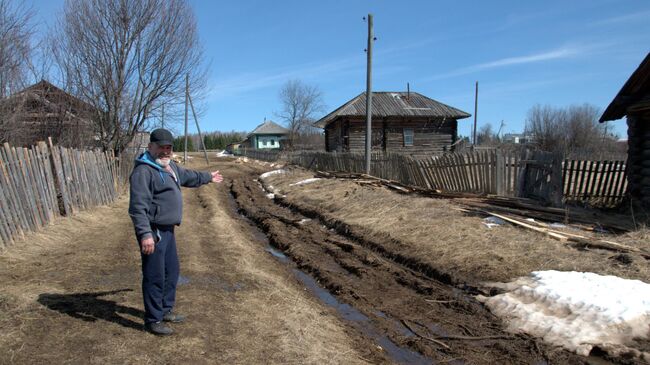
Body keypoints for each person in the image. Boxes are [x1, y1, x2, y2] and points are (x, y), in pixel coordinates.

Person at [128, 128, 223, 335]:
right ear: (150, 147)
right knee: (154, 275)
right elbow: (138, 207)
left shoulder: (169, 166)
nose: (165, 151)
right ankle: (153, 319)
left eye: (168, 147)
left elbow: (188, 176)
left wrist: (208, 177)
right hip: (154, 231)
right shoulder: (144, 171)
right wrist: (145, 234)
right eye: (161, 147)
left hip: (168, 230)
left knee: (172, 272)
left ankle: (165, 309)